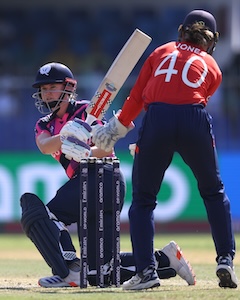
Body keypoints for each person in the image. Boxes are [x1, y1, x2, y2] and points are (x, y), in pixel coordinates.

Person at [92, 10, 238, 290]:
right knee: (214, 192)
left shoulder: (162, 51)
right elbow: (191, 99)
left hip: (157, 118)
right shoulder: (214, 67)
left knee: (144, 200)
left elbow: (138, 96)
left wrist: (117, 129)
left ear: (182, 30)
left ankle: (147, 272)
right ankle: (225, 261)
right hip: (194, 119)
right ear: (212, 40)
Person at [20, 62, 195, 288]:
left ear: (68, 88)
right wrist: (65, 137)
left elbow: (105, 147)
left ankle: (69, 270)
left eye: (52, 87)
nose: (46, 93)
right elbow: (44, 146)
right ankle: (166, 259)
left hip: (102, 176)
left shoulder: (87, 111)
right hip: (86, 184)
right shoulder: (44, 124)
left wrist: (86, 152)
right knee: (99, 272)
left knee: (46, 217)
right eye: (43, 89)